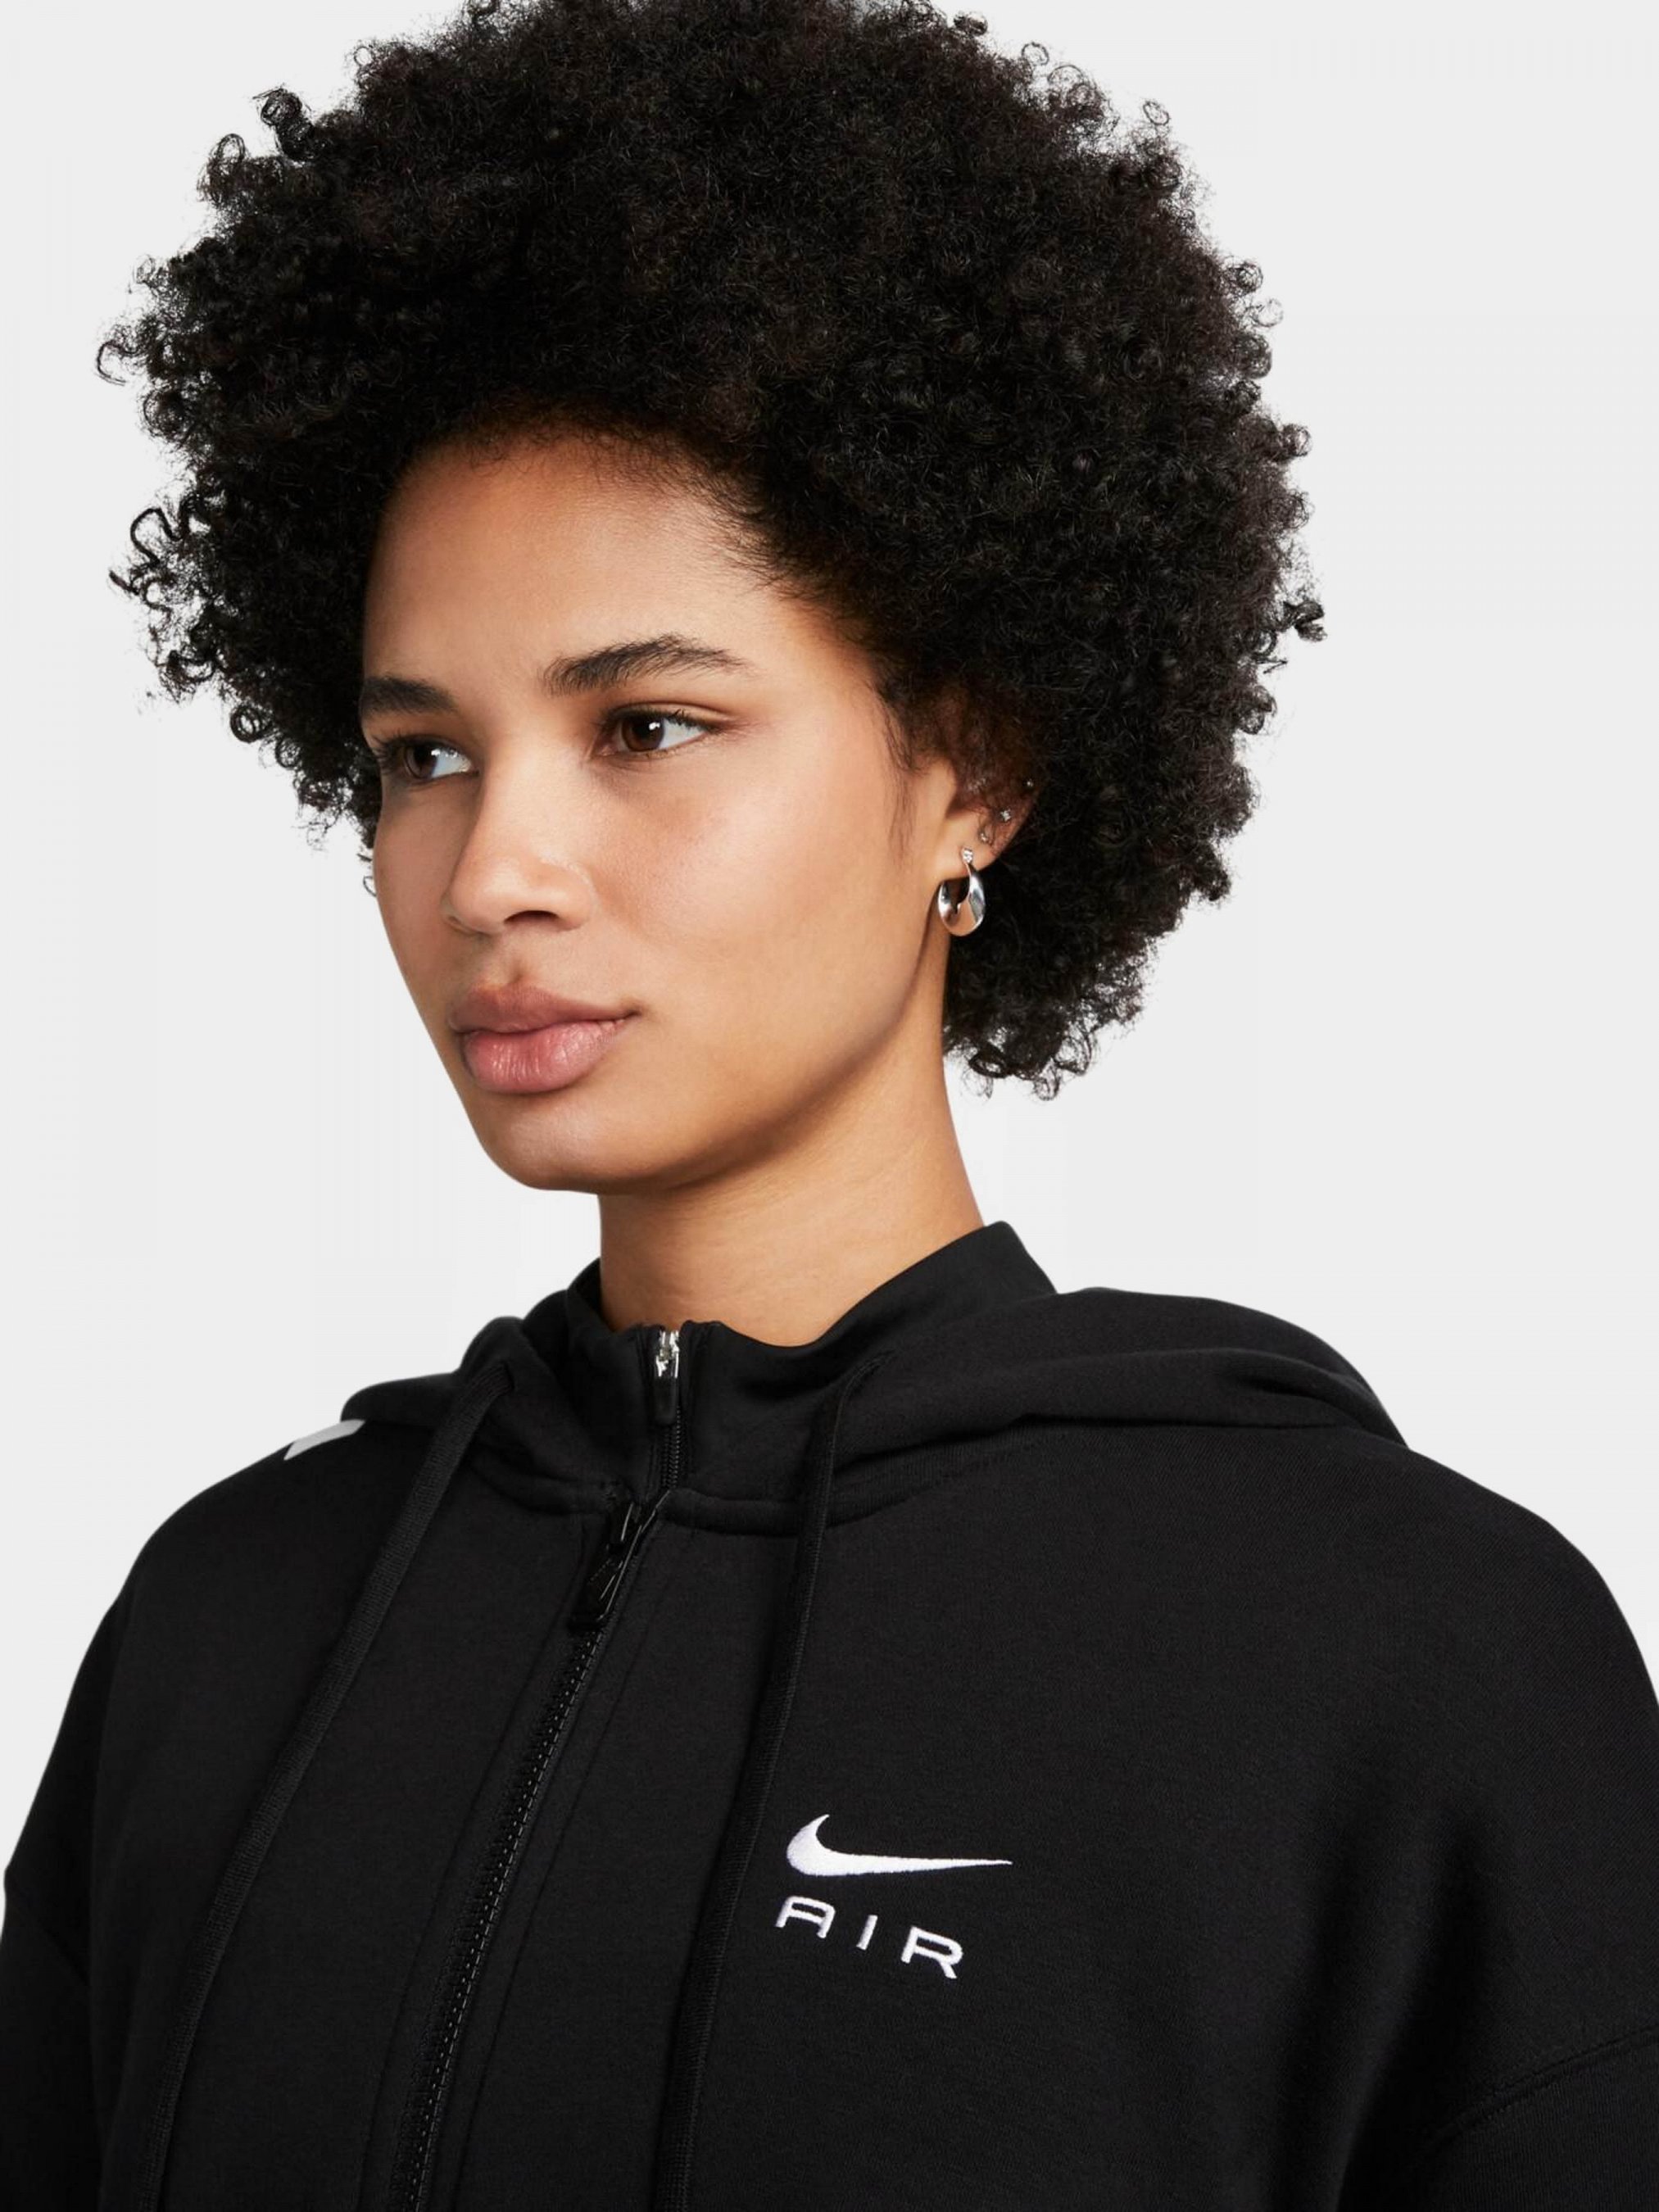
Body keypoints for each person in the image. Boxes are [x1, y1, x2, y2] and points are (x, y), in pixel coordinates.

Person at [5, 0, 1658, 2202]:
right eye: (424, 754)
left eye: (650, 725)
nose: (491, 871)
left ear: (969, 770)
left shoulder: (1400, 1656)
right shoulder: (230, 1623)